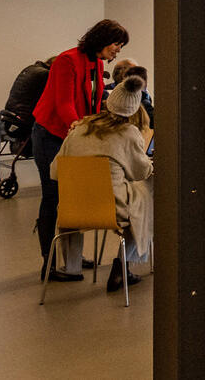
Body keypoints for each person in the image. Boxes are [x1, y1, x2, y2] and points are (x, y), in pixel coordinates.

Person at [31, 19, 128, 282]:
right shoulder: (67, 61)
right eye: (116, 44)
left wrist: (99, 126)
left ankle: (72, 257)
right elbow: (63, 104)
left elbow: (93, 102)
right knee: (53, 197)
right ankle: (48, 263)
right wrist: (81, 130)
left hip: (75, 135)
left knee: (74, 196)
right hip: (51, 135)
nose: (118, 50)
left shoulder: (95, 63)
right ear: (102, 39)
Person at [52, 77, 153, 292]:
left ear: (108, 102)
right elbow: (140, 172)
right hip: (111, 210)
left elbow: (55, 170)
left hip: (72, 208)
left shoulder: (78, 128)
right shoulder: (128, 133)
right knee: (145, 198)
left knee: (74, 196)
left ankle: (71, 267)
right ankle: (123, 265)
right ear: (134, 109)